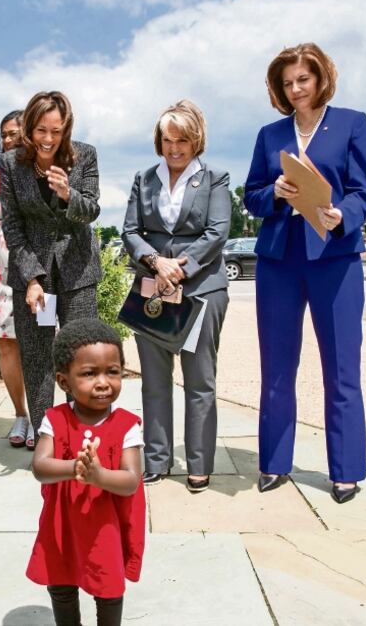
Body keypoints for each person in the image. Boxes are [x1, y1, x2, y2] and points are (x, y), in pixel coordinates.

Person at [244, 43, 366, 504]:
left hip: (335, 257)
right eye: (287, 83)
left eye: (303, 79)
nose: (296, 89)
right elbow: (251, 196)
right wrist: (275, 193)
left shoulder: (352, 123)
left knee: (341, 369)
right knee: (277, 367)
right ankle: (274, 462)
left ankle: (346, 470)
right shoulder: (269, 134)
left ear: (320, 78)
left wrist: (344, 215)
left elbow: (363, 190)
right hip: (279, 260)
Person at [121, 100, 231, 493]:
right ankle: (157, 460)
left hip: (201, 289)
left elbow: (217, 232)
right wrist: (155, 262)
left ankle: (199, 464)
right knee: (153, 381)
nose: (174, 148)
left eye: (182, 140)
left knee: (199, 380)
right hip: (152, 288)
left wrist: (178, 269)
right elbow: (130, 231)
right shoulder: (144, 178)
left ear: (196, 140)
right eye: (168, 140)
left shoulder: (215, 178)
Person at [0, 91, 102, 442]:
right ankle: (47, 435)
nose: (48, 139)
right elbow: (13, 227)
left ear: (66, 129)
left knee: (81, 355)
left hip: (77, 274)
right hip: (36, 280)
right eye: (41, 130)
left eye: (56, 131)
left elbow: (92, 210)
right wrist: (32, 279)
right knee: (38, 356)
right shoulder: (11, 164)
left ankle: (82, 435)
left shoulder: (84, 155)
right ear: (29, 128)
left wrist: (68, 194)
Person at [28, 318, 144, 626]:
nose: (103, 382)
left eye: (112, 372)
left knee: (108, 588)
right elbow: (40, 466)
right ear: (64, 382)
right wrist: (74, 467)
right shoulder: (55, 420)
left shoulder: (126, 426)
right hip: (62, 525)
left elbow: (131, 480)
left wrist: (99, 476)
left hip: (104, 527)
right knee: (61, 584)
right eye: (89, 373)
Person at [0, 109, 31, 448]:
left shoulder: (42, 171)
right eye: (4, 134)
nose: (9, 139)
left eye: (15, 132)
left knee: (45, 340)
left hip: (40, 265)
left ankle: (46, 415)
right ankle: (21, 414)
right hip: (3, 267)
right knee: (6, 342)